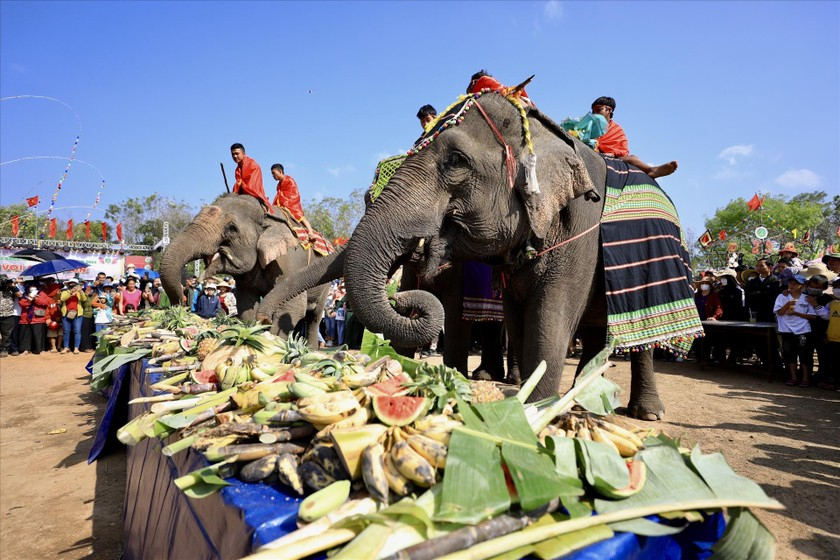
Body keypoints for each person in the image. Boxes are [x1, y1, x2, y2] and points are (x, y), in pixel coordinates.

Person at [590, 96, 678, 179]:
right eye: (593, 111)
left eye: (598, 110)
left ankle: (650, 170)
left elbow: (622, 151)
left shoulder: (617, 129)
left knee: (632, 158)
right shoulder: (588, 124)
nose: (595, 113)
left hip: (611, 158)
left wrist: (611, 154)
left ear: (609, 110)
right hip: (590, 152)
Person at [774, 274, 819, 387]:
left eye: (795, 284)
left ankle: (805, 378)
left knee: (804, 355)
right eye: (790, 283)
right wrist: (788, 304)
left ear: (802, 285)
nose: (792, 285)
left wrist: (796, 313)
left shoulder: (807, 298)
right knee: (789, 354)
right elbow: (779, 312)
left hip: (803, 329)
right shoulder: (782, 296)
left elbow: (813, 316)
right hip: (786, 329)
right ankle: (793, 377)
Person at [270, 164, 313, 233]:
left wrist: (284, 201)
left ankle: (311, 232)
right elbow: (279, 195)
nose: (273, 176)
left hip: (292, 203)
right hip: (282, 204)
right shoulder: (278, 185)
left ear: (280, 171)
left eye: (274, 173)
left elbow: (293, 193)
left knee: (300, 216)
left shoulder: (289, 180)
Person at [231, 143, 272, 211]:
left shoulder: (252, 164)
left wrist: (241, 186)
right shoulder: (237, 169)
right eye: (233, 154)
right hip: (242, 193)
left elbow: (252, 185)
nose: (235, 156)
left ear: (244, 153)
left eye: (237, 153)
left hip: (253, 193)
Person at [744, 258, 780, 322]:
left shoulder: (775, 281)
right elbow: (748, 295)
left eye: (761, 266)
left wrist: (757, 293)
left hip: (769, 312)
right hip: (755, 311)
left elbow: (772, 295)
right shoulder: (752, 282)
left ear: (770, 267)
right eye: (757, 266)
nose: (758, 268)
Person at [18, 282, 50, 355]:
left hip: (38, 318)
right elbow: (22, 304)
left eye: (34, 287)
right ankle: (25, 349)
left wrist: (36, 298)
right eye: (30, 287)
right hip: (25, 319)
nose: (32, 288)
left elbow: (45, 302)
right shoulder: (24, 294)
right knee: (25, 335)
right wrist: (29, 299)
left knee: (39, 335)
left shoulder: (42, 294)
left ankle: (41, 350)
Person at [59, 279, 86, 354]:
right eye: (71, 284)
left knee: (77, 331)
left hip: (77, 314)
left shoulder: (79, 292)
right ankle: (65, 347)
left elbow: (84, 299)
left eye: (74, 284)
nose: (72, 285)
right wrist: (71, 293)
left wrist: (80, 291)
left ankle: (76, 348)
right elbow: (62, 299)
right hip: (66, 313)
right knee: (66, 332)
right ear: (68, 285)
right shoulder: (65, 292)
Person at [0, 275, 21, 358]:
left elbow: (19, 295)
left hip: (7, 314)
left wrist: (12, 286)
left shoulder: (11, 288)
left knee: (7, 334)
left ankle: (4, 349)